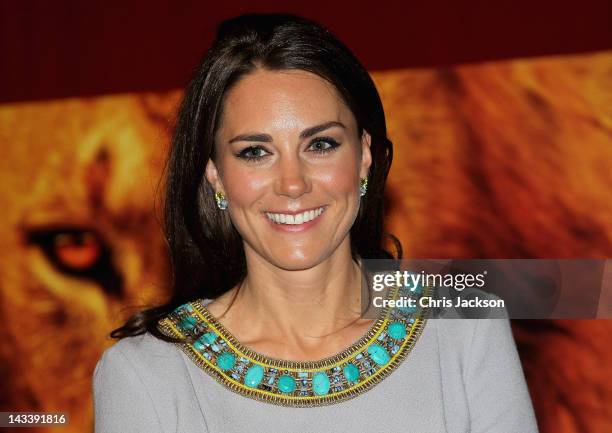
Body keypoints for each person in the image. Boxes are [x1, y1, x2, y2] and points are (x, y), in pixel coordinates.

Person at [92, 13, 538, 433]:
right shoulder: (144, 375)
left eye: (321, 144)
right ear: (216, 175)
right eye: (255, 152)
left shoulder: (466, 329)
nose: (292, 183)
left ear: (364, 154)